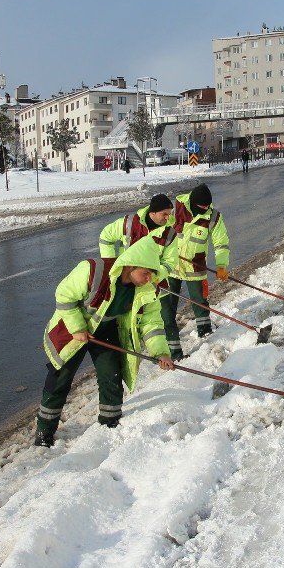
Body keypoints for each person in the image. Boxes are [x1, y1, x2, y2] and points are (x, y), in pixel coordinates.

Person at [35, 236, 174, 447]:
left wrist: (160, 352)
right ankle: (44, 431)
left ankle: (109, 423)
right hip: (74, 330)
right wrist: (78, 327)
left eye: (152, 275)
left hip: (107, 329)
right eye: (145, 273)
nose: (149, 279)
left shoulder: (147, 288)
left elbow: (151, 323)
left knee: (111, 375)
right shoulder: (93, 270)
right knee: (60, 378)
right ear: (132, 265)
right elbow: (64, 295)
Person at [162, 184, 230, 359]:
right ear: (193, 203)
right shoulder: (176, 209)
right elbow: (160, 232)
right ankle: (171, 349)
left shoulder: (213, 217)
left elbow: (221, 243)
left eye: (207, 207)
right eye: (202, 207)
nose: (205, 210)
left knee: (200, 303)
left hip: (195, 265)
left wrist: (221, 265)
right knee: (167, 307)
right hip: (172, 266)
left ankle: (206, 333)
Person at [99, 193, 178, 273]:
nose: (167, 217)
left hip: (149, 281)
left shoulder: (169, 233)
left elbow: (169, 262)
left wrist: (155, 276)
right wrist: (109, 262)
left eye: (169, 214)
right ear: (152, 213)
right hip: (124, 275)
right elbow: (106, 236)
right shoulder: (129, 223)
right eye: (164, 214)